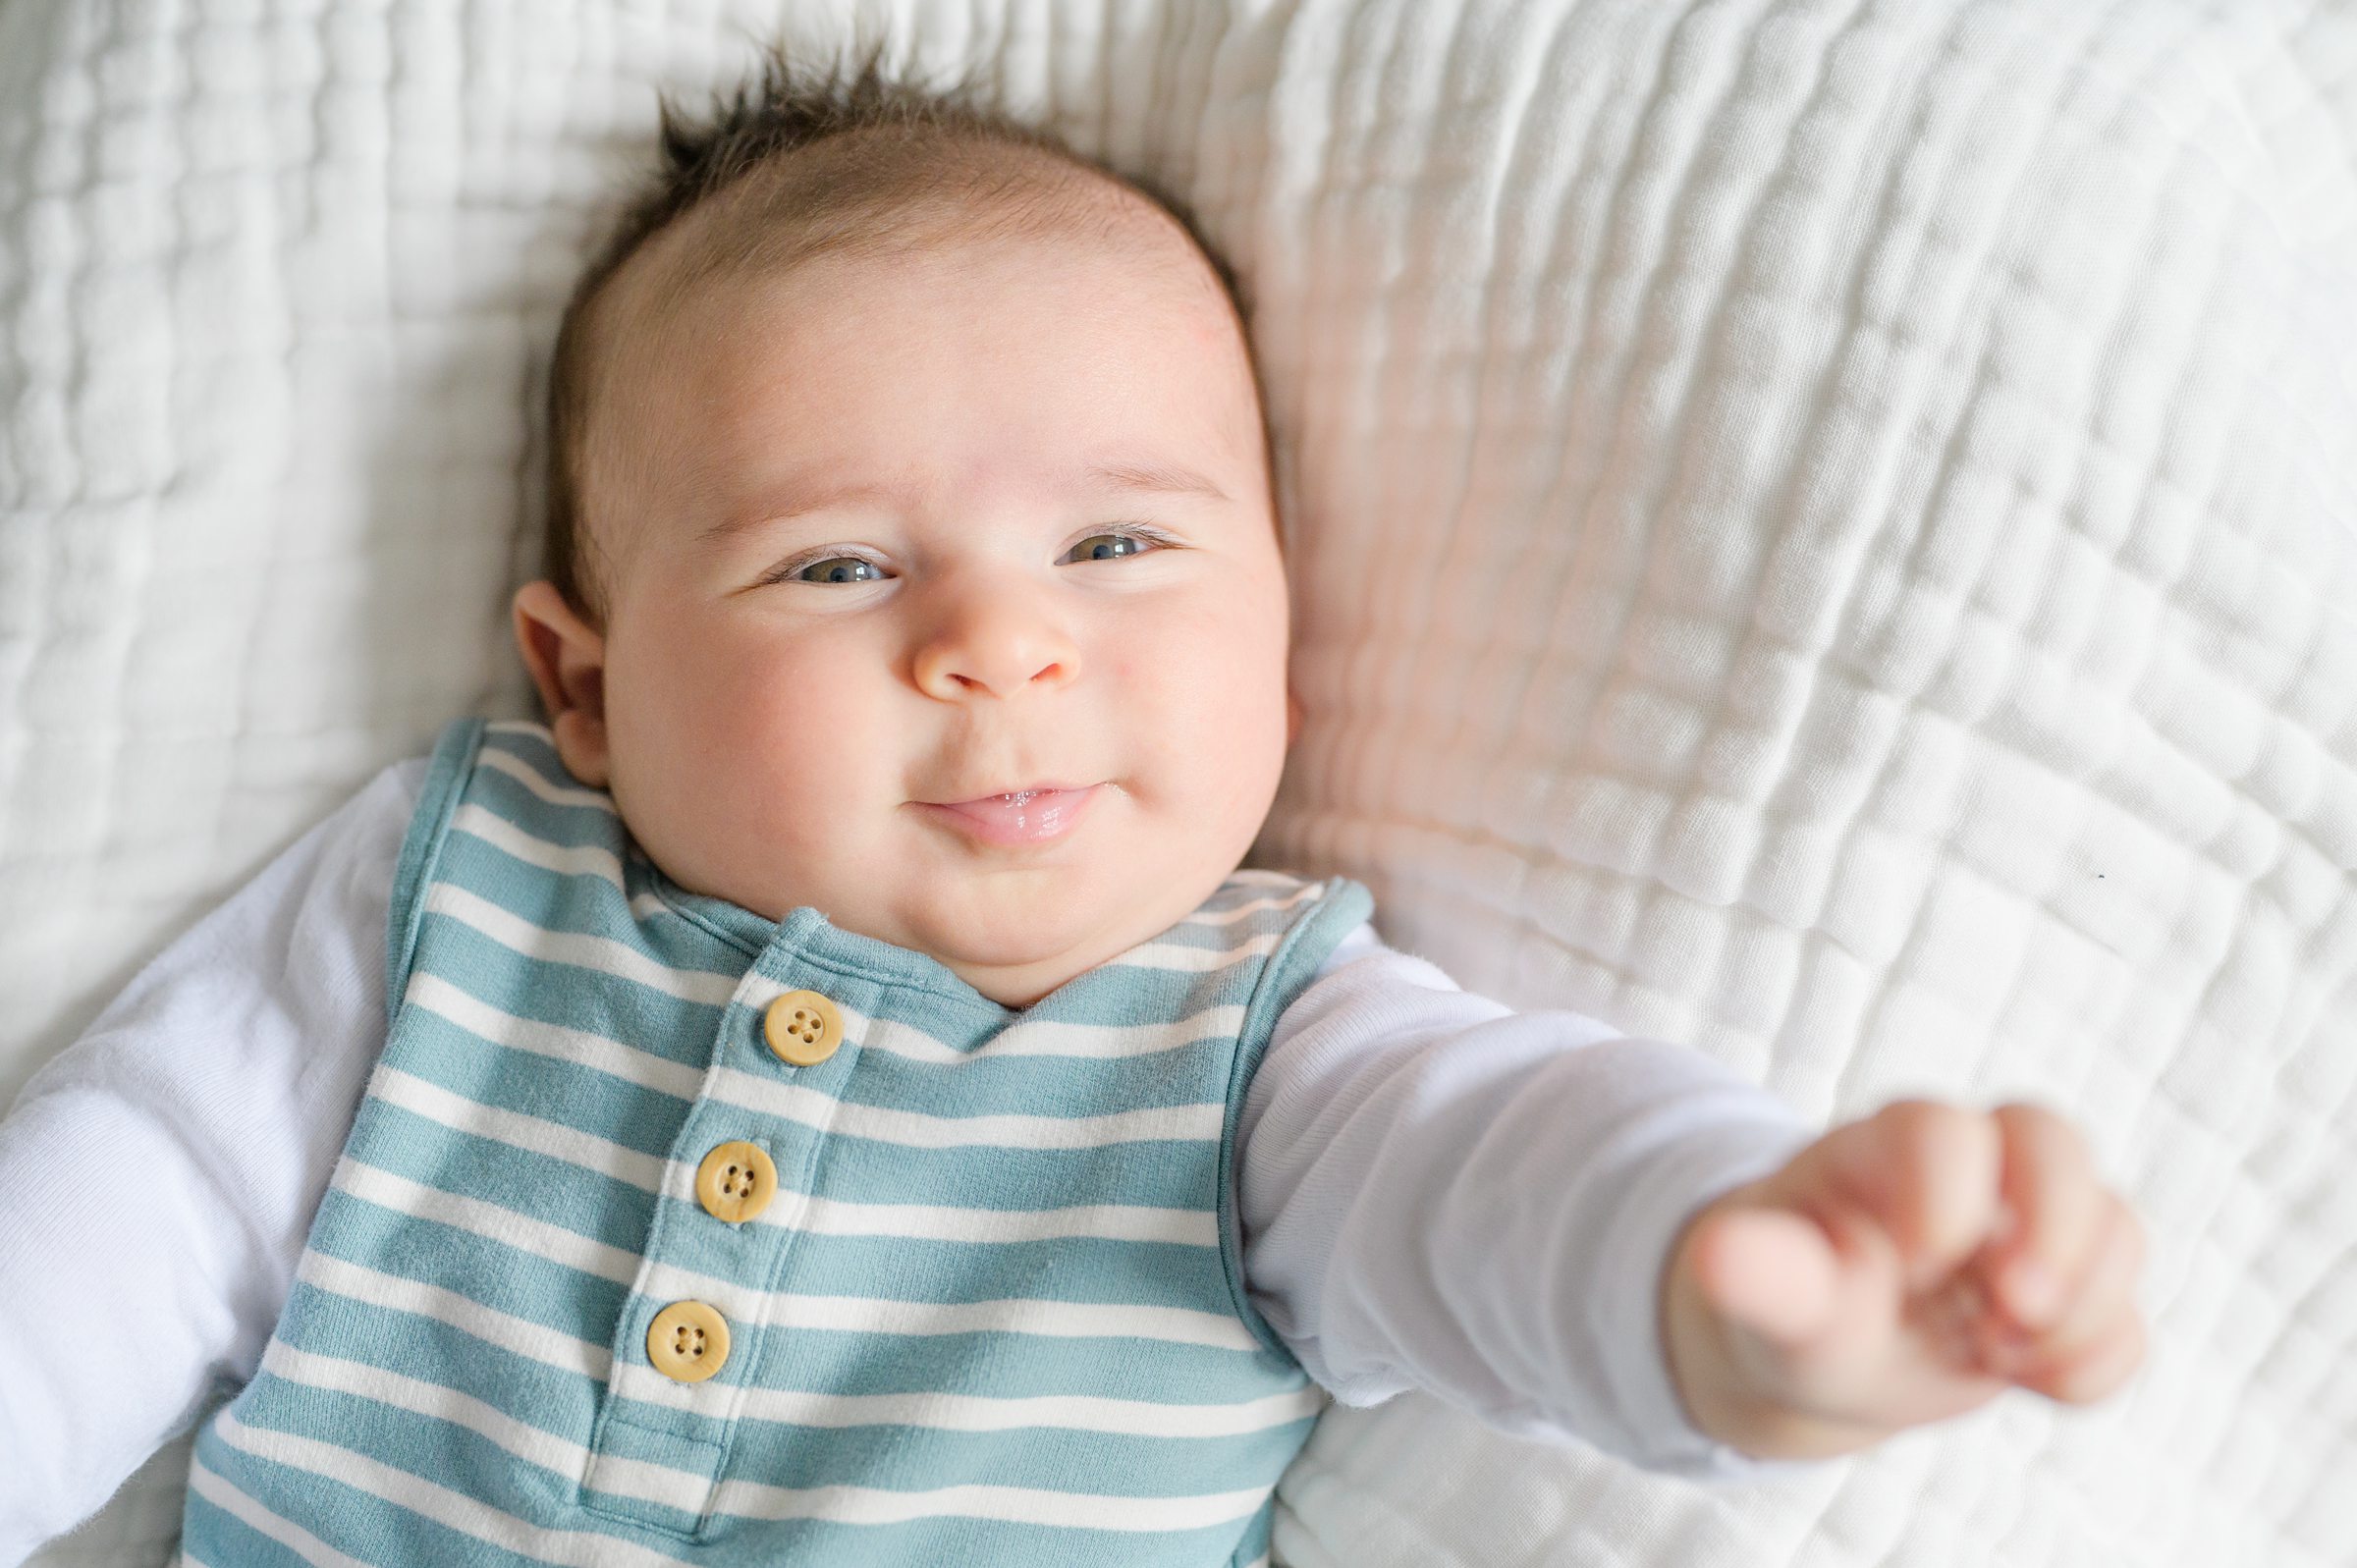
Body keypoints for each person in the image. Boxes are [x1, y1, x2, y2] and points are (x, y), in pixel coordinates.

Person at [0, 46, 2146, 1568]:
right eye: (840, 566)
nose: (1002, 647)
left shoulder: (1263, 1048)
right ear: (584, 684)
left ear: (1288, 622)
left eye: (1118, 550)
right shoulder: (452, 897)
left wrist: (1721, 1267)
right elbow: (145, 1191)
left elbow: (1496, 1171)